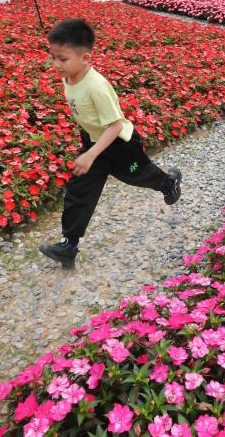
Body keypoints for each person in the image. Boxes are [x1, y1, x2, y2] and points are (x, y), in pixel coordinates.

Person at [39, 19, 183, 269]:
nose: (56, 65)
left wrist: (91, 154)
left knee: (139, 176)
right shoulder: (69, 76)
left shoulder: (97, 87)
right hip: (94, 143)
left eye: (63, 59)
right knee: (79, 191)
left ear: (86, 58)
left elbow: (115, 126)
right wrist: (90, 151)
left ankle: (168, 182)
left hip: (119, 146)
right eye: (53, 57)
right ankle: (68, 246)